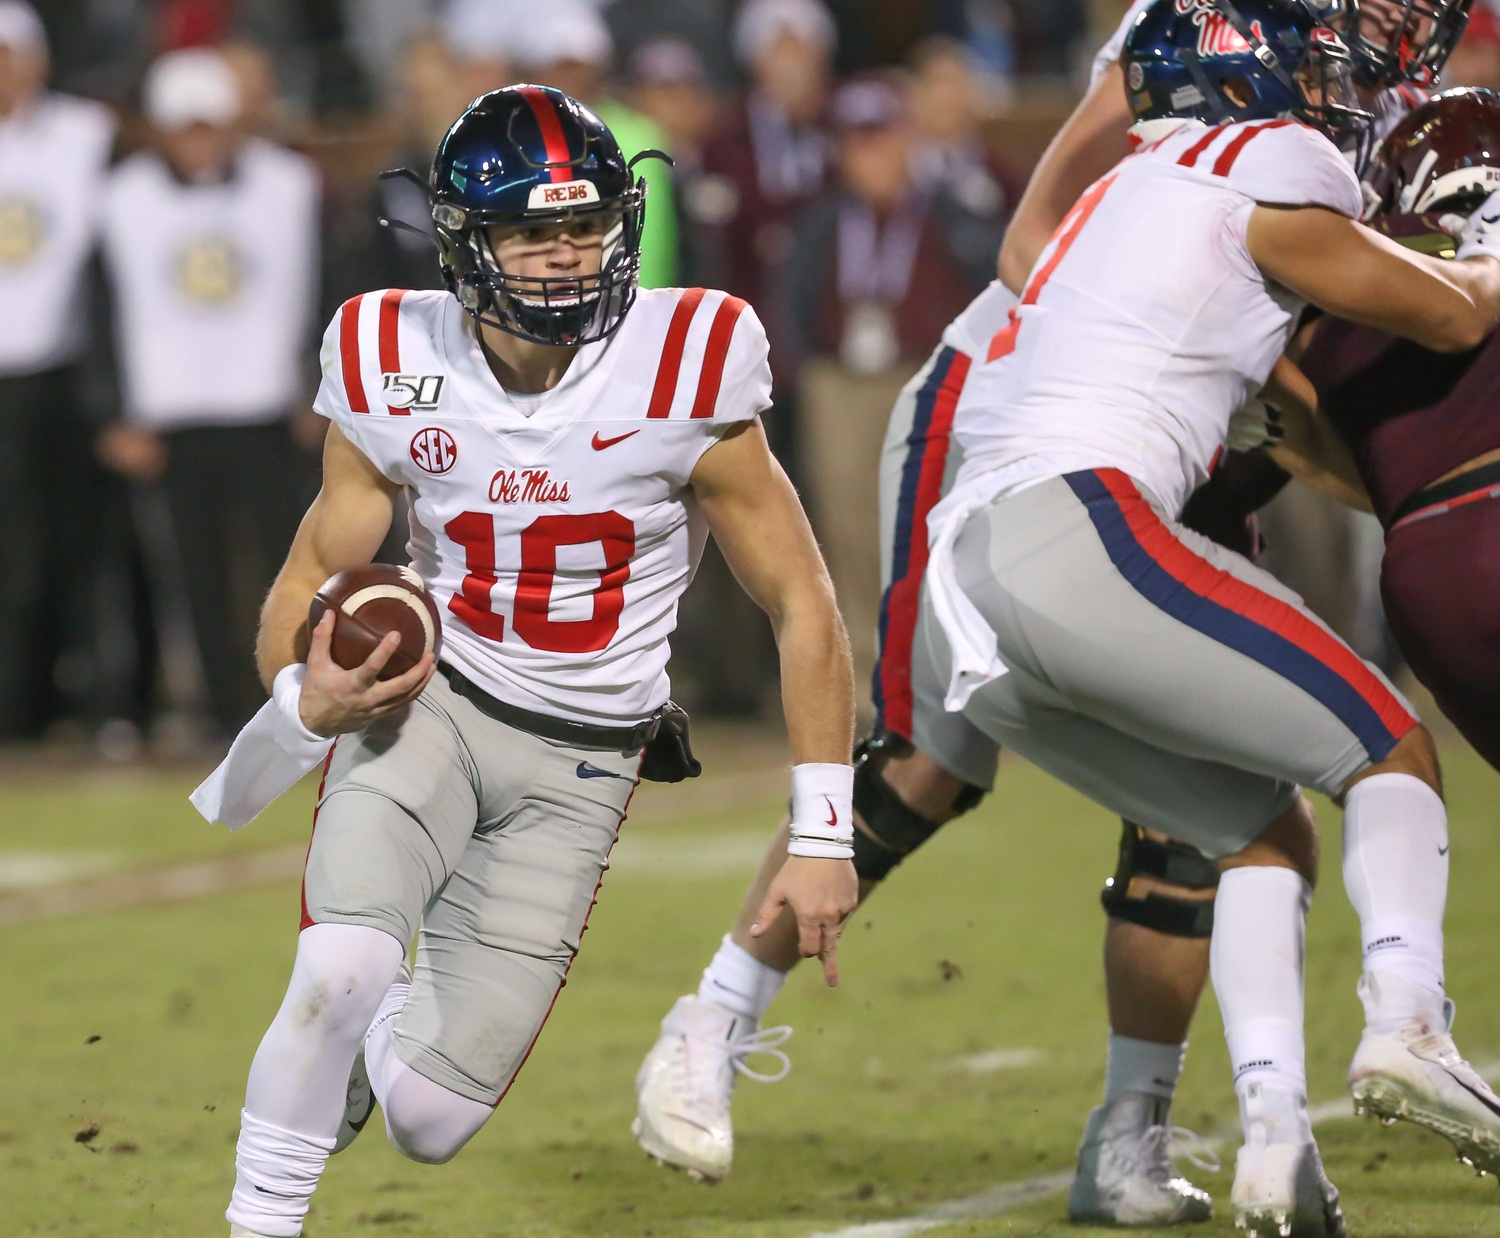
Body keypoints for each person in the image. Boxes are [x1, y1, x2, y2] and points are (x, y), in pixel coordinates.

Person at [633, 0, 1486, 1225]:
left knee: (1242, 818)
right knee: (930, 758)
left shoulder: (1293, 128)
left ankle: (1230, 1138)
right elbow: (1039, 244)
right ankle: (709, 1020)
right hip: (1029, 411)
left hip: (1133, 465)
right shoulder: (1234, 102)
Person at [221, 84, 858, 1238]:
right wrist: (299, 688)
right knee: (340, 968)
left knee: (428, 1117)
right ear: (467, 243)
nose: (568, 256)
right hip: (429, 709)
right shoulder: (386, 352)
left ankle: (378, 1035)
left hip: (584, 759)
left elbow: (802, 600)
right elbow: (314, 565)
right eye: (531, 230)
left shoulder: (692, 355)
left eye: (587, 224)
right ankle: (260, 1220)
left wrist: (821, 832)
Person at [915, 1, 1500, 1232]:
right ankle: (1409, 1023)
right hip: (1081, 525)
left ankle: (1275, 1145)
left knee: (1261, 830)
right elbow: (1452, 314)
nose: (1330, 85)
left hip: (965, 590)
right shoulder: (1267, 160)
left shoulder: (1127, 187)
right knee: (1387, 743)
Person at [96, 47, 321, 738]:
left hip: (267, 407)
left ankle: (299, 699)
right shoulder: (120, 196)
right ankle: (227, 714)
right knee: (194, 574)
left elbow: (324, 289)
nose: (198, 140)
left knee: (289, 564)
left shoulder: (291, 185)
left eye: (208, 125)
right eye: (184, 127)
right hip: (172, 414)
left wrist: (319, 388)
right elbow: (100, 307)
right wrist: (114, 411)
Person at [1293, 86, 1500, 771]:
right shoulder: (1459, 243)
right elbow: (1464, 283)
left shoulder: (1323, 286)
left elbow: (1316, 461)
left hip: (1424, 571)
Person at [0, 0, 115, 739]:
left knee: (78, 543)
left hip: (67, 371)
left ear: (37, 59)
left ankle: (88, 702)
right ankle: (14, 711)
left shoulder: (86, 133)